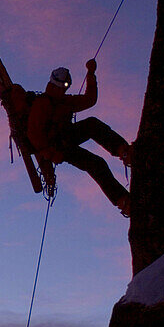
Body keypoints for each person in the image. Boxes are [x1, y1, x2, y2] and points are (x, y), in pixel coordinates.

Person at [27, 59, 132, 215]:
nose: (65, 89)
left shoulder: (63, 101)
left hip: (65, 140)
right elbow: (34, 136)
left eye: (67, 86)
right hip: (58, 147)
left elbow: (89, 100)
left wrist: (90, 74)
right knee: (96, 163)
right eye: (64, 86)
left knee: (92, 125)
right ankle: (123, 200)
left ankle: (124, 151)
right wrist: (52, 154)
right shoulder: (42, 104)